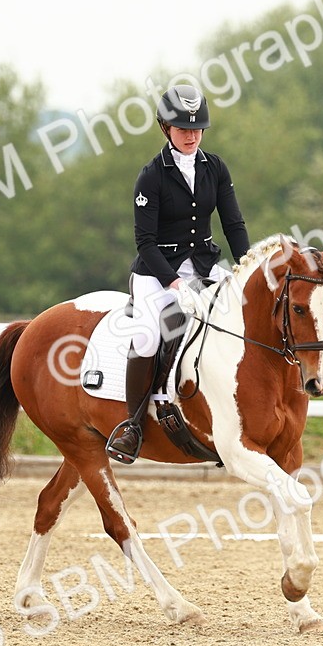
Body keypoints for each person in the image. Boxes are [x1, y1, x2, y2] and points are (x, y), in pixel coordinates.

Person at [105, 84, 251, 464]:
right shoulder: (151, 176)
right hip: (156, 273)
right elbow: (145, 243)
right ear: (165, 128)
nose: (191, 135)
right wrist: (173, 283)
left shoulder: (214, 167)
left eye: (197, 129)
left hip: (203, 265)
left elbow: (233, 223)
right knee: (152, 336)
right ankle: (132, 425)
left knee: (240, 322)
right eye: (183, 129)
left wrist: (248, 268)